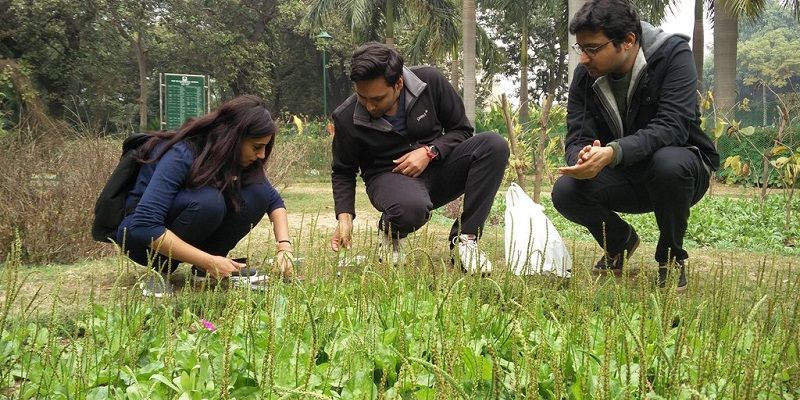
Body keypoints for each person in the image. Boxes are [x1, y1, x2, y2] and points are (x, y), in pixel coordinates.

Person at [551, 0, 719, 290]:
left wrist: (614, 151)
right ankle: (620, 243)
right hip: (625, 175)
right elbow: (577, 133)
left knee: (669, 162)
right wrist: (583, 157)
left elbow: (673, 126)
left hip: (680, 172)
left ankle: (670, 257)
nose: (584, 59)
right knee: (566, 190)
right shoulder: (585, 76)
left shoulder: (673, 55)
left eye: (593, 48)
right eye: (581, 48)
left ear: (627, 41)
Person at [329, 42, 509, 273]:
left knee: (494, 145)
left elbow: (461, 130)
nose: (369, 106)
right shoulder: (346, 117)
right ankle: (390, 231)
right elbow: (343, 170)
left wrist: (429, 151)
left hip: (439, 166)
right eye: (362, 97)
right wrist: (344, 217)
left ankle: (465, 239)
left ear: (399, 84)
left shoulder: (430, 82)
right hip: (389, 178)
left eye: (377, 98)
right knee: (410, 209)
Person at [117, 95, 294, 296]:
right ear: (233, 138)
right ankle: (159, 271)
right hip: (139, 238)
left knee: (257, 194)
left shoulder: (231, 158)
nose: (262, 155)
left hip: (178, 222)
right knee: (209, 203)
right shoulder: (183, 152)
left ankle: (204, 271)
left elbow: (273, 200)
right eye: (256, 147)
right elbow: (144, 225)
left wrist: (284, 248)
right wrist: (208, 260)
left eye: (265, 147)